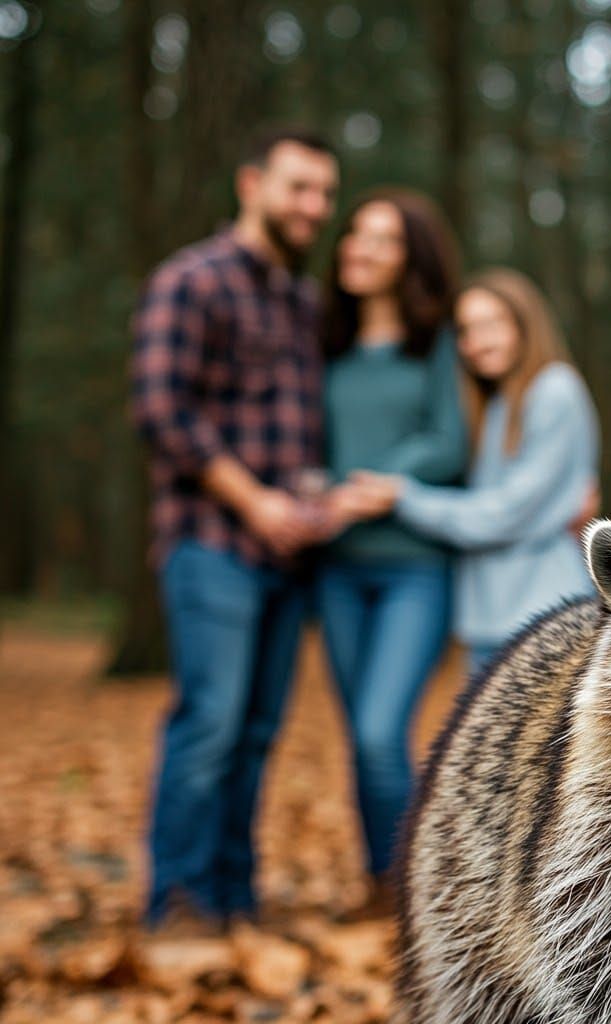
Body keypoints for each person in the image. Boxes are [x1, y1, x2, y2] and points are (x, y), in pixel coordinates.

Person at [130, 127, 339, 929]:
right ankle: (177, 902)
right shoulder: (192, 280)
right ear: (252, 183)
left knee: (254, 734)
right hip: (211, 545)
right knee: (209, 723)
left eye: (324, 192)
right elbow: (161, 412)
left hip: (291, 563)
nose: (314, 207)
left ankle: (231, 896)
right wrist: (255, 502)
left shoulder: (304, 302)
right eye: (298, 187)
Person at [335, 267, 600, 678]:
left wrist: (403, 497)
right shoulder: (495, 405)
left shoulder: (554, 391)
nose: (477, 342)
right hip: (491, 618)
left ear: (525, 325)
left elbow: (501, 516)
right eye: (467, 330)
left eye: (493, 325)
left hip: (545, 615)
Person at [313, 189, 467, 889]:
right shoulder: (327, 343)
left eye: (382, 239)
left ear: (413, 258)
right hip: (337, 568)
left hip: (415, 570)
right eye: (354, 233)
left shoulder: (437, 342)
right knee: (360, 741)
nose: (359, 248)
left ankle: (415, 888)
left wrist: (376, 483)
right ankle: (385, 883)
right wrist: (318, 486)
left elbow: (448, 440)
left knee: (381, 734)